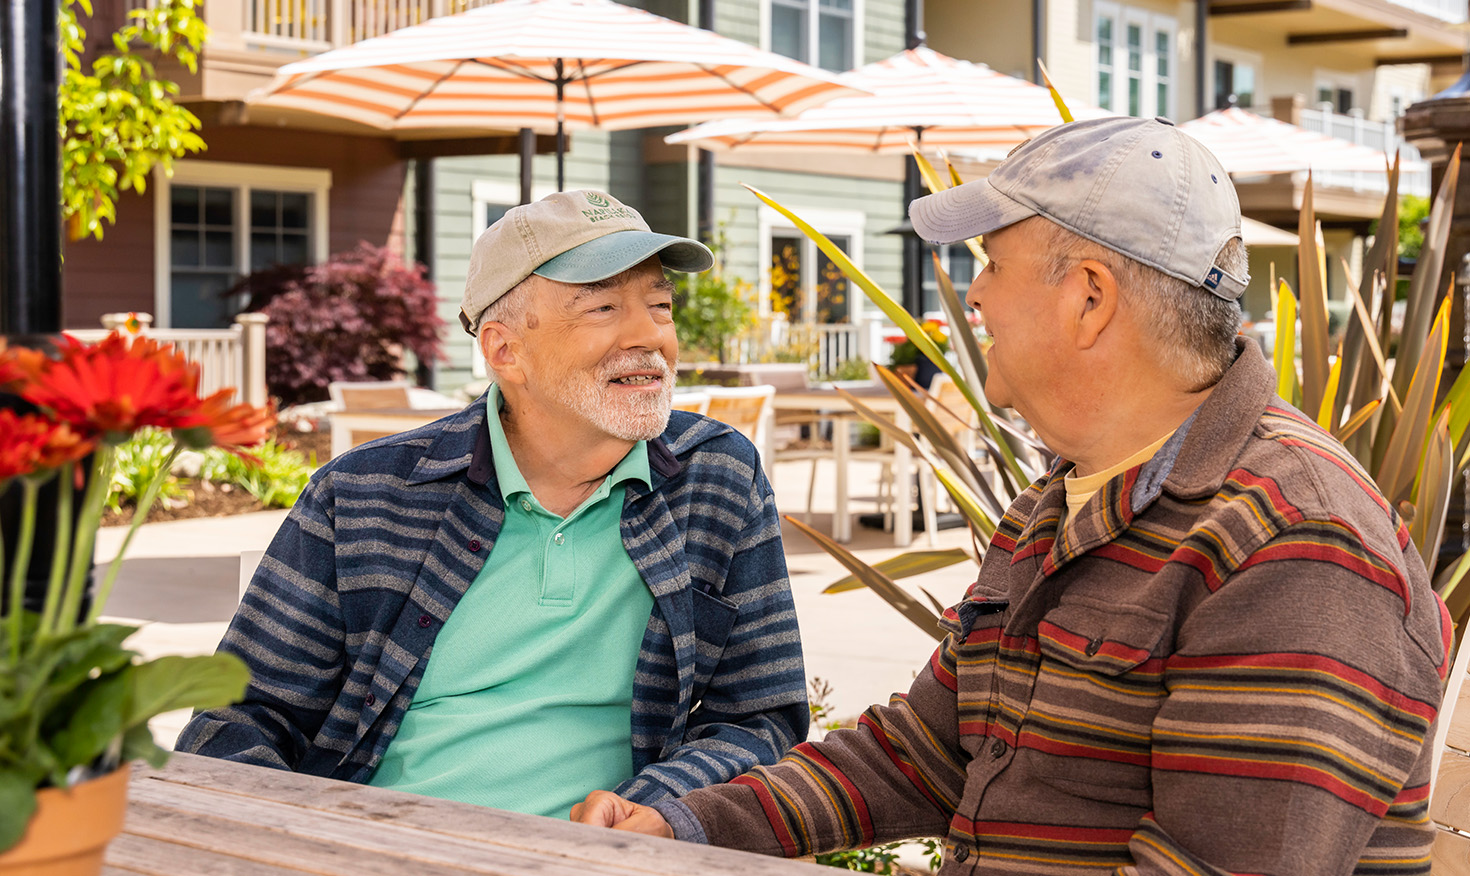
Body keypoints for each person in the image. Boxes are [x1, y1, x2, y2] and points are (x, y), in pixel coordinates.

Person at [572, 117, 1453, 873]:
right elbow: (923, 751)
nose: (975, 293)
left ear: (1090, 299)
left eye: (992, 261)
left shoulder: (1297, 546)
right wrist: (681, 825)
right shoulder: (1070, 496)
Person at [177, 190, 809, 820]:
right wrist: (309, 844)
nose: (650, 337)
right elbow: (240, 720)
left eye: (660, 305)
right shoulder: (365, 496)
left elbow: (761, 714)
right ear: (506, 351)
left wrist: (656, 810)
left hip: (598, 861)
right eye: (603, 308)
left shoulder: (716, 475)